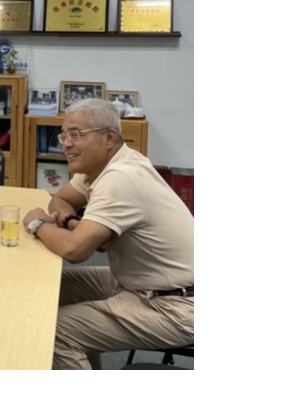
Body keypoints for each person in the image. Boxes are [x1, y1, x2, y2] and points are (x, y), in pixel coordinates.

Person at [21, 99, 193, 370]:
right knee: (47, 288)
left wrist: (37, 223)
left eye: (76, 134)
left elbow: (74, 250)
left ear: (109, 137)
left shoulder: (121, 176)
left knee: (55, 331)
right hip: (137, 281)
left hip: (174, 303)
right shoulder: (99, 167)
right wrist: (74, 223)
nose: (66, 144)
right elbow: (60, 200)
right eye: (64, 135)